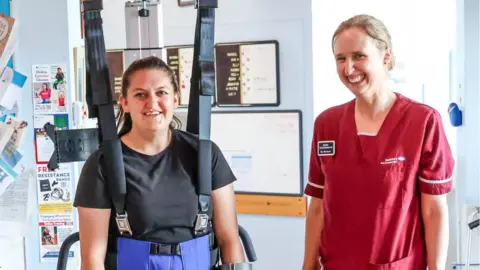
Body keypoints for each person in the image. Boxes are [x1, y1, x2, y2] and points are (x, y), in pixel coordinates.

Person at [302, 14, 454, 270]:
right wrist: (307, 265)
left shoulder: (423, 121)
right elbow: (317, 206)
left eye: (358, 56)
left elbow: (434, 211)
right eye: (340, 58)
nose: (348, 68)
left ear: (386, 57)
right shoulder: (326, 124)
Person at [73, 56, 246, 270]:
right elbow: (92, 259)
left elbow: (229, 240)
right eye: (140, 95)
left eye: (161, 92)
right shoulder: (102, 164)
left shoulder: (205, 154)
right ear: (125, 103)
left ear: (175, 99)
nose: (152, 103)